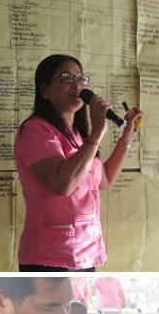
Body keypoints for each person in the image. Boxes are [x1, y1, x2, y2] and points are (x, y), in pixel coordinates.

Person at [14, 54, 143, 271]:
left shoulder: (79, 137)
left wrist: (126, 137)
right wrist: (97, 133)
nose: (77, 85)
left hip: (86, 252)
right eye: (66, 77)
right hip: (49, 255)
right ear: (45, 90)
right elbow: (61, 184)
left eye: (81, 79)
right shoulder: (36, 129)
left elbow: (106, 180)